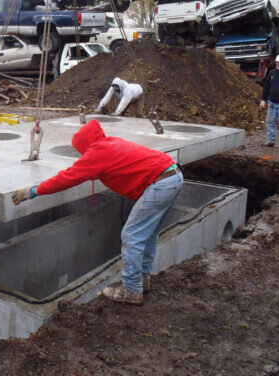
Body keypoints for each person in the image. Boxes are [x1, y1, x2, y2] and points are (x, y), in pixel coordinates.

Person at [11, 120, 183, 305]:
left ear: (85, 144)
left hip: (159, 184)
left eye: (81, 151)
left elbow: (67, 178)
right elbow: (104, 168)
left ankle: (132, 289)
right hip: (173, 176)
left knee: (131, 235)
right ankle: (142, 279)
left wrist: (33, 192)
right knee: (148, 235)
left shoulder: (97, 152)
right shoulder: (109, 144)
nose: (81, 155)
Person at [260, 55, 279, 147]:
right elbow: (266, 87)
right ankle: (270, 141)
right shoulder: (272, 73)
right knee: (270, 122)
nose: (278, 64)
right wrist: (263, 99)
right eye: (277, 62)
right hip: (272, 103)